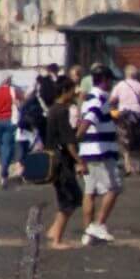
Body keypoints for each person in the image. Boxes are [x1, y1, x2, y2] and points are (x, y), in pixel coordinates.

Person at [79, 66, 122, 245]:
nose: (111, 83)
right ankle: (98, 224)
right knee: (114, 187)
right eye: (110, 79)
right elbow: (89, 120)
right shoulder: (98, 99)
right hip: (99, 152)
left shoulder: (89, 97)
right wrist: (77, 138)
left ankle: (88, 233)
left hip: (89, 153)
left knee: (90, 192)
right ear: (103, 79)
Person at [44, 78, 84, 248]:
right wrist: (80, 161)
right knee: (71, 197)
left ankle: (54, 230)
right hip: (62, 161)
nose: (74, 93)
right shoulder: (62, 111)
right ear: (65, 90)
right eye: (72, 90)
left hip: (55, 158)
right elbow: (69, 142)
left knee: (66, 196)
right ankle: (57, 240)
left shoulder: (53, 109)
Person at [109, 64, 140, 175]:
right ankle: (139, 165)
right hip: (137, 115)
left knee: (125, 140)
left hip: (124, 115)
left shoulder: (120, 85)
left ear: (126, 74)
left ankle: (128, 166)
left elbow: (112, 100)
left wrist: (114, 106)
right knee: (139, 140)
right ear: (136, 74)